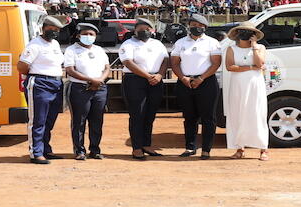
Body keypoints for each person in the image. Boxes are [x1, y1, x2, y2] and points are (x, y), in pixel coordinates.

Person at [170, 14, 222, 159]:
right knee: (189, 117)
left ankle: (206, 149)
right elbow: (174, 62)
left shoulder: (212, 42)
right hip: (185, 82)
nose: (196, 28)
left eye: (200, 26)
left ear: (205, 27)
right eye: (193, 25)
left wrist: (201, 78)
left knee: (208, 117)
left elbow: (216, 63)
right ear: (189, 26)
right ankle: (190, 147)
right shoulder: (181, 42)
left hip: (206, 82)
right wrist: (182, 78)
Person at [18, 16, 65, 164]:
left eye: (57, 30)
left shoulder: (55, 44)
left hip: (56, 83)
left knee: (49, 119)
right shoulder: (34, 45)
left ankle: (45, 149)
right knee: (38, 119)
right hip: (40, 83)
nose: (54, 32)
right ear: (44, 28)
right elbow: (22, 66)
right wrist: (34, 76)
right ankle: (36, 152)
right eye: (51, 29)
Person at [119, 17, 168, 160]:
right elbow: (128, 62)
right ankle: (137, 147)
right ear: (135, 30)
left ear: (152, 30)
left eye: (147, 29)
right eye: (141, 30)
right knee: (137, 114)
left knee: (150, 114)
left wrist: (159, 75)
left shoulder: (157, 43)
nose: (144, 32)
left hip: (155, 80)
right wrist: (147, 76)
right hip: (135, 80)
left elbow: (165, 60)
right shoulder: (128, 44)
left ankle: (146, 144)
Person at [223, 25, 270, 161]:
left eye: (249, 32)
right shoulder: (231, 49)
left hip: (255, 85)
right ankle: (240, 149)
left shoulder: (260, 48)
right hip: (238, 85)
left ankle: (263, 149)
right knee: (238, 114)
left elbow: (260, 64)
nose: (245, 34)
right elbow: (230, 66)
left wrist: (254, 45)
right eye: (242, 32)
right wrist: (250, 67)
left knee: (257, 114)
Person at [64, 23, 110, 160]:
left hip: (99, 89)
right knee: (79, 120)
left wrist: (100, 80)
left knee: (97, 120)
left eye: (91, 34)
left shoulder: (99, 50)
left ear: (96, 37)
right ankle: (79, 150)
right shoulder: (71, 50)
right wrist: (91, 80)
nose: (88, 36)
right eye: (85, 34)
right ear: (78, 35)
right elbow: (70, 70)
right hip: (80, 88)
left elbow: (107, 68)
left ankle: (95, 149)